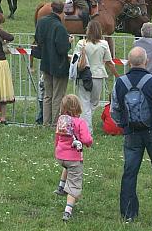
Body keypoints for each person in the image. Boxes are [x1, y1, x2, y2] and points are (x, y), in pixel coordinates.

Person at [111, 47, 152, 225]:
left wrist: (123, 124)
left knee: (130, 172)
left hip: (131, 132)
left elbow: (114, 110)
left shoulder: (119, 83)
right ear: (146, 62)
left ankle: (128, 213)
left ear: (129, 62)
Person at [72, 19, 117, 134]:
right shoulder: (104, 44)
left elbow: (75, 59)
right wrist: (117, 75)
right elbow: (108, 61)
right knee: (93, 102)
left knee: (85, 101)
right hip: (98, 75)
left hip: (84, 75)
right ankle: (86, 128)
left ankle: (84, 125)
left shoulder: (81, 43)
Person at [53, 94, 93, 222]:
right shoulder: (80, 122)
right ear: (78, 107)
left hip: (60, 155)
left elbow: (57, 137)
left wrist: (56, 149)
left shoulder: (61, 120)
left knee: (67, 166)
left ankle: (61, 186)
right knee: (74, 184)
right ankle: (68, 211)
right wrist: (88, 143)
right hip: (73, 158)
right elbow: (86, 139)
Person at [35, 1, 73, 125]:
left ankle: (46, 122)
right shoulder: (59, 27)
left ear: (51, 9)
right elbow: (62, 49)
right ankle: (55, 123)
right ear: (62, 11)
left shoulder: (41, 22)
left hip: (45, 63)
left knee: (47, 95)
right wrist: (69, 41)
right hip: (59, 65)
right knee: (58, 95)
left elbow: (37, 39)